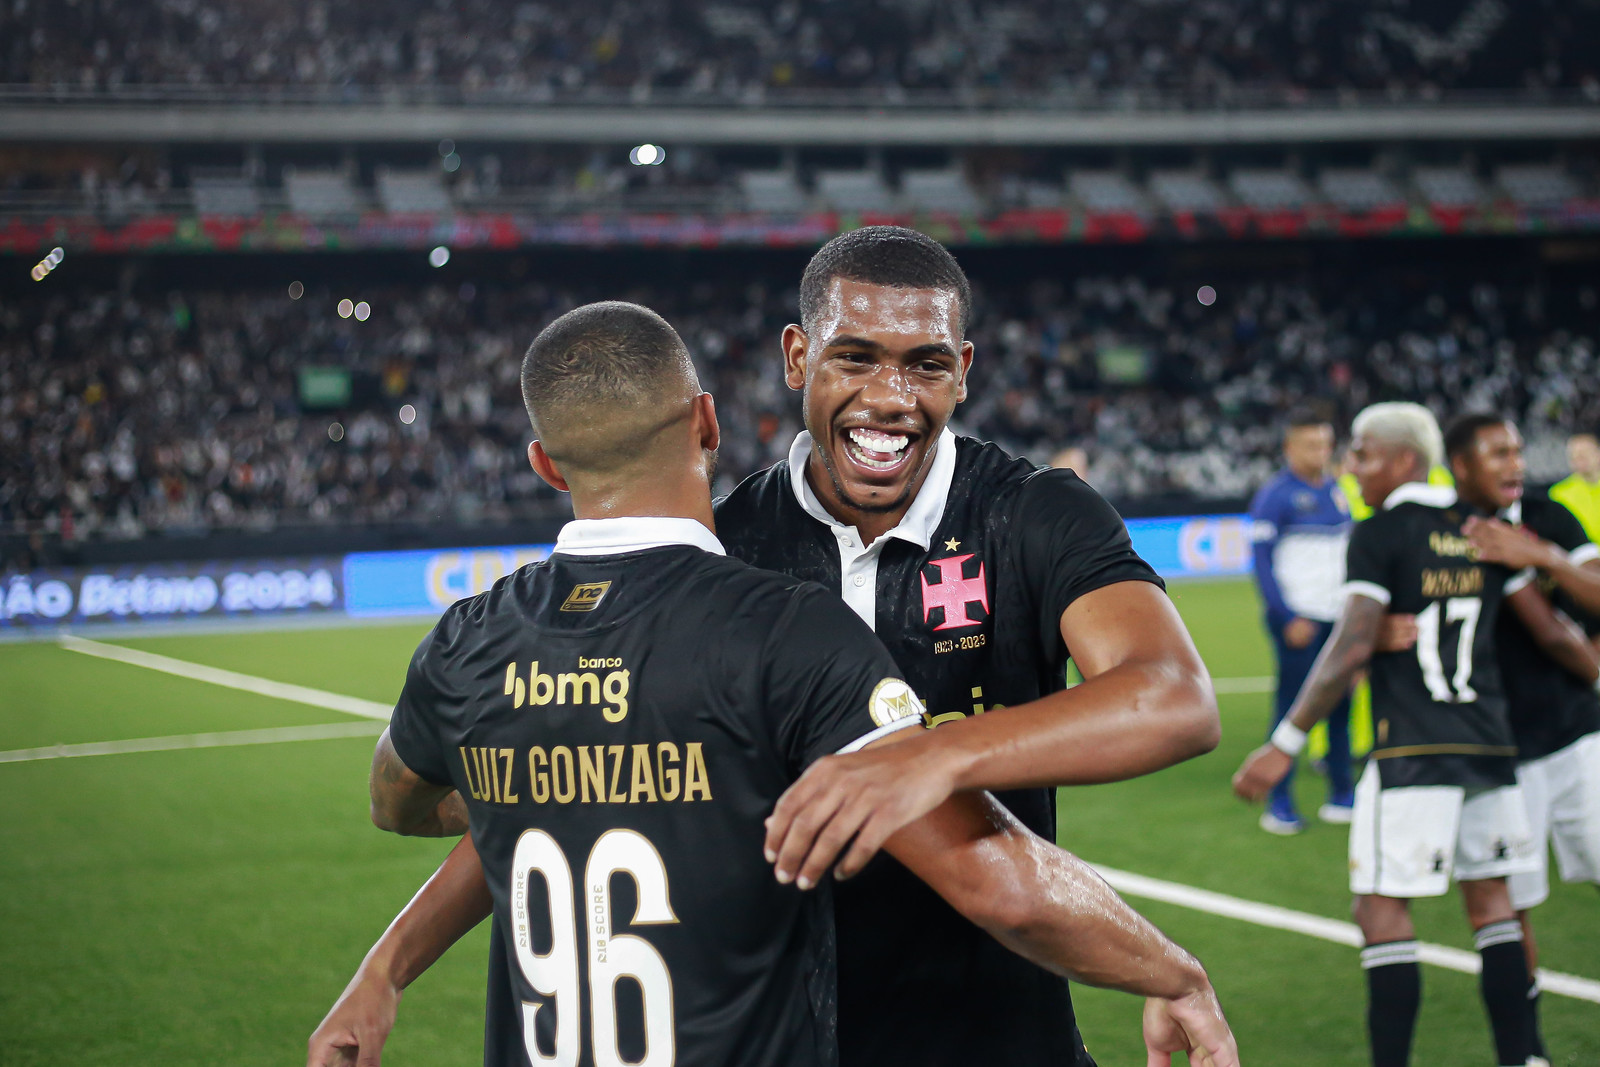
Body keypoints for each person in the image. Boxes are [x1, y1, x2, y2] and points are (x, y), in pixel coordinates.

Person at [311, 227, 1223, 1067]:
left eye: (926, 364)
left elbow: (1174, 697)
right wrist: (388, 963)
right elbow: (569, 786)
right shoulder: (728, 552)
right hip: (803, 1033)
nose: (890, 398)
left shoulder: (1033, 513)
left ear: (964, 372)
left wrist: (933, 755)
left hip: (1001, 1034)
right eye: (855, 357)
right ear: (797, 357)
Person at [1233, 401, 1596, 1067]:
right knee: (1493, 903)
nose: (1351, 467)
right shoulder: (1480, 529)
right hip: (1492, 747)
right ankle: (1521, 1058)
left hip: (1411, 749)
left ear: (1403, 459)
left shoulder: (1379, 532)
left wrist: (1283, 744)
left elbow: (1350, 644)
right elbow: (1547, 630)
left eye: (1362, 453)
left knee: (1380, 909)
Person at [1429, 415, 1600, 1064]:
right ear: (1460, 465)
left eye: (1518, 451)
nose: (1516, 464)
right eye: (1498, 453)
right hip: (1497, 756)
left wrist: (1540, 556)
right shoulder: (1441, 534)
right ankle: (1528, 1051)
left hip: (1578, 737)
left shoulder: (1550, 517)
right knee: (1511, 911)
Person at [1247, 410, 1354, 833]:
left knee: (1341, 707)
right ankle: (1279, 804)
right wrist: (1286, 616)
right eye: (1311, 445)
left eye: (1325, 444)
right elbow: (1261, 563)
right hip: (1299, 620)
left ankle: (1342, 795)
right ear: (1289, 448)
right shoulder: (1275, 496)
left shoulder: (1337, 490)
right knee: (1291, 710)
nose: (1320, 452)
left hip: (1336, 618)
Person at [1549, 432, 1600, 544]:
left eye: (1584, 454)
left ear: (1598, 454)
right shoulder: (1558, 493)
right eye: (1574, 456)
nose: (1579, 459)